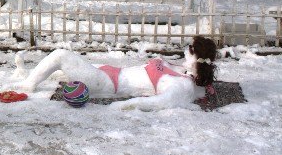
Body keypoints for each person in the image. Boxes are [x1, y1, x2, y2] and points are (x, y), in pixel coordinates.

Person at [15, 36, 218, 110]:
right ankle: (27, 75)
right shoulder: (180, 69)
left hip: (107, 84)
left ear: (195, 57)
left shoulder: (181, 84)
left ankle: (27, 86)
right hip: (110, 73)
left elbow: (160, 103)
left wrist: (122, 106)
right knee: (66, 64)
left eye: (189, 49)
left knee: (60, 55)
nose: (184, 50)